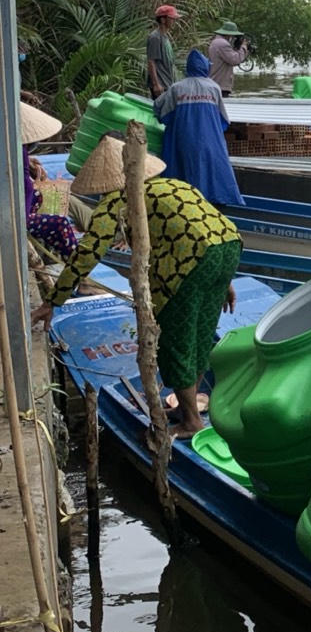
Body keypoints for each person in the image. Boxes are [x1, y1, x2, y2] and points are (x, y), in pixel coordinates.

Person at [31, 134, 242, 438]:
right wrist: (224, 279)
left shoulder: (115, 202)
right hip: (228, 248)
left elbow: (86, 254)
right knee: (200, 334)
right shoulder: (174, 185)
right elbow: (208, 229)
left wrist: (53, 301)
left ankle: (191, 421)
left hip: (190, 261)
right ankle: (187, 409)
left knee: (177, 339)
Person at [154, 49, 244, 206]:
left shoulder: (177, 88)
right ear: (205, 67)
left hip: (183, 141)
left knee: (182, 175)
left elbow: (164, 115)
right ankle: (215, 201)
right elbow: (223, 120)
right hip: (210, 143)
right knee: (213, 172)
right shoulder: (214, 88)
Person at [20, 102, 77, 260]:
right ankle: (77, 266)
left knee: (39, 195)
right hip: (18, 218)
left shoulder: (20, 151)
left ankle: (50, 249)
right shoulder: (19, 151)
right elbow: (25, 186)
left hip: (19, 209)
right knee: (61, 223)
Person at [147, 4, 181, 99]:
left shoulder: (165, 36)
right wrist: (156, 84)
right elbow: (151, 61)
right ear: (163, 20)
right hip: (160, 85)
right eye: (172, 18)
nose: (174, 21)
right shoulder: (155, 37)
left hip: (167, 83)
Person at [207, 21, 249, 96]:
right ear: (229, 34)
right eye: (233, 35)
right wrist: (243, 47)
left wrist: (237, 48)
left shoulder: (216, 41)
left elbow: (229, 59)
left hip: (215, 83)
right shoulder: (223, 44)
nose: (234, 37)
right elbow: (235, 60)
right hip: (220, 85)